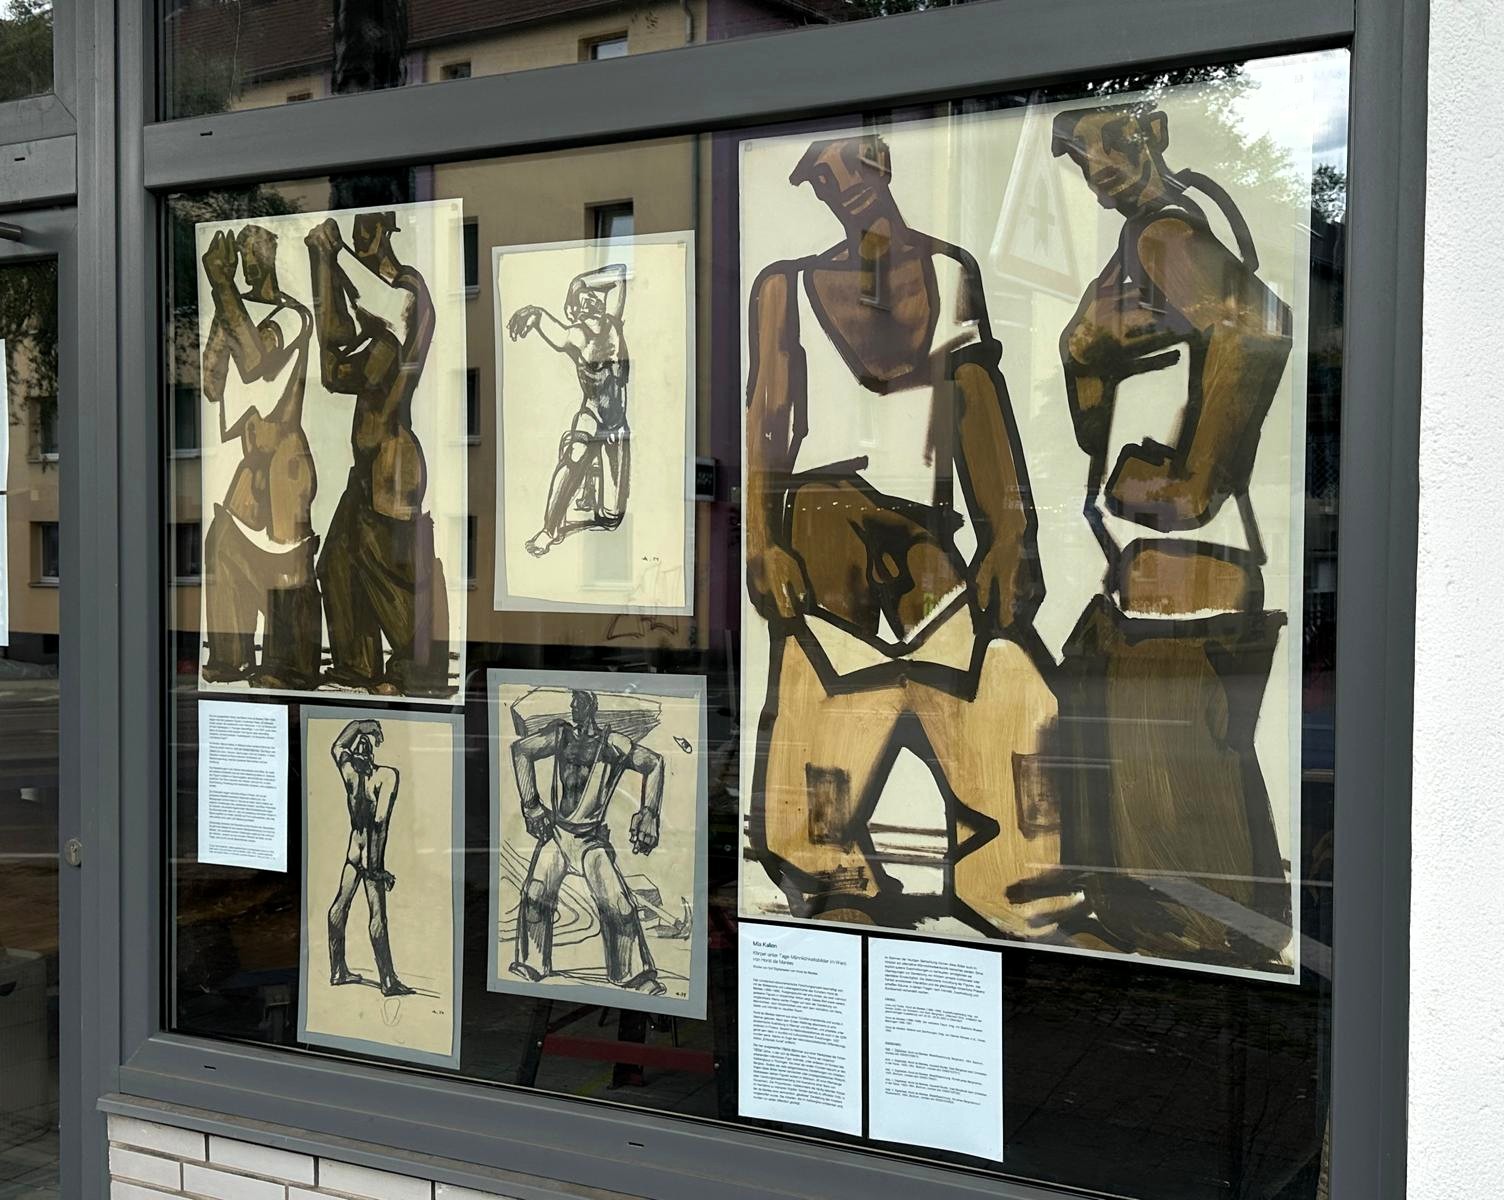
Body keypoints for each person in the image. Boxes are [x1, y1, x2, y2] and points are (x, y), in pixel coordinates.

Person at [743, 133, 1068, 938]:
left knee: (997, 693)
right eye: (822, 177)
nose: (839, 184)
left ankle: (1014, 883)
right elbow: (767, 418)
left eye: (850, 165)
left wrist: (1010, 532)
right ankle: (830, 876)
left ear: (883, 164)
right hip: (822, 518)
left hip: (925, 524)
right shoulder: (786, 287)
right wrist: (761, 541)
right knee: (823, 712)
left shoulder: (950, 271)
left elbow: (979, 405)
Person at [1048, 104, 1294, 967]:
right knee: (1154, 742)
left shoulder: (1162, 234)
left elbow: (1255, 326)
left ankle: (1213, 940)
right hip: (1160, 552)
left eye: (1109, 144)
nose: (1096, 166)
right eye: (1080, 156)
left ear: (1150, 133)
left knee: (1173, 744)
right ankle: (1184, 933)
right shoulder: (1161, 231)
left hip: (1182, 557)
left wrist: (1196, 484)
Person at [306, 211, 451, 697]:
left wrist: (334, 257)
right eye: (354, 235)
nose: (360, 240)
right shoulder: (379, 335)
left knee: (390, 568)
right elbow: (333, 369)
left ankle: (416, 668)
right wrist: (322, 265)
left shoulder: (410, 291)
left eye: (366, 233)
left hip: (394, 461)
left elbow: (380, 308)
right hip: (366, 467)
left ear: (386, 232)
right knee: (337, 562)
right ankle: (357, 663)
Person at [199, 224, 320, 689]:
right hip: (251, 463)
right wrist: (222, 306)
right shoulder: (237, 311)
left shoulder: (293, 315)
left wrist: (222, 286)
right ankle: (230, 657)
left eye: (255, 251)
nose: (248, 261)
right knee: (223, 546)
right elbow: (212, 382)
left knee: (288, 565)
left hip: (284, 460)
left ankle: (290, 664)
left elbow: (255, 360)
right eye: (242, 253)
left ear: (271, 254)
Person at [509, 689, 665, 994]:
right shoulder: (560, 736)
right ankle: (531, 964)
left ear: (591, 706)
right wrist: (531, 805)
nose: (572, 706)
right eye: (572, 701)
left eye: (578, 702)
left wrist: (649, 813)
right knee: (536, 893)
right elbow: (520, 751)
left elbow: (654, 763)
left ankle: (633, 974)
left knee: (619, 905)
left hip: (590, 839)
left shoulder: (612, 743)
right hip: (558, 835)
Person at [506, 263, 630, 557]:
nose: (592, 301)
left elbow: (620, 274)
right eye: (583, 301)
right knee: (573, 455)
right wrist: (534, 314)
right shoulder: (577, 336)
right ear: (575, 312)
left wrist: (578, 283)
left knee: (612, 517)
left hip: (617, 425)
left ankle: (592, 479)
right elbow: (551, 327)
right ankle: (549, 530)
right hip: (592, 415)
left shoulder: (614, 323)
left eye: (594, 296)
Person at [326, 718, 414, 997]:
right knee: (377, 916)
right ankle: (387, 981)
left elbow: (338, 745)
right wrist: (376, 869)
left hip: (355, 849)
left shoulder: (350, 774)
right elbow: (379, 824)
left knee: (339, 906)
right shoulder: (386, 776)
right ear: (371, 755)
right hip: (371, 854)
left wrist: (361, 726)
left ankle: (339, 971)